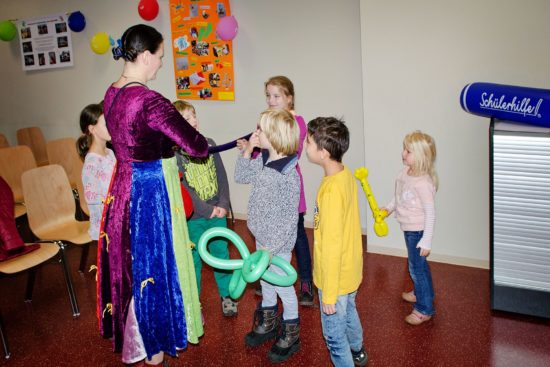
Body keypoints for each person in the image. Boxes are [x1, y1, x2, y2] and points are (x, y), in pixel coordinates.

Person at [98, 24, 209, 366]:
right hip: (146, 191)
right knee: (151, 264)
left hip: (120, 186)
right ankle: (153, 346)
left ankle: (137, 336)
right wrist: (188, 140)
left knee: (129, 260)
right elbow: (197, 146)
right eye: (160, 57)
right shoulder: (149, 99)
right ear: (146, 56)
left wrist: (164, 142)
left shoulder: (111, 93)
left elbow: (135, 139)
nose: (161, 64)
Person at [235, 109, 301, 363]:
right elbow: (241, 176)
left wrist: (272, 249)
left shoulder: (288, 174)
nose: (256, 132)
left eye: (260, 129)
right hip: (261, 238)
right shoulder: (263, 159)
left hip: (277, 245)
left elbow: (289, 218)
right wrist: (247, 151)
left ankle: (291, 333)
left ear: (272, 136)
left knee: (283, 287)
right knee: (265, 284)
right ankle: (269, 323)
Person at [305, 117, 368, 367]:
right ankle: (358, 351)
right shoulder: (344, 174)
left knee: (333, 335)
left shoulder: (331, 191)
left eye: (309, 142)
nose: (305, 146)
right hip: (349, 270)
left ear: (323, 152)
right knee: (349, 311)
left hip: (335, 279)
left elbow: (330, 247)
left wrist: (328, 294)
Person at [172, 100, 238, 317]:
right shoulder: (175, 154)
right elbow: (184, 188)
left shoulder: (209, 143)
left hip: (217, 213)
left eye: (194, 115)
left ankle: (226, 295)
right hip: (194, 218)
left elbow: (222, 176)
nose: (193, 121)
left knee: (221, 254)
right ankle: (194, 302)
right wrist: (206, 210)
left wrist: (222, 204)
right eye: (187, 118)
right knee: (194, 260)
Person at [257, 75, 314, 306]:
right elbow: (260, 155)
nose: (271, 100)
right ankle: (266, 277)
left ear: (289, 99)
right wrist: (251, 147)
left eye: (277, 96)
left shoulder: (297, 122)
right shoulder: (265, 120)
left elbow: (292, 153)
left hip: (287, 186)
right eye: (268, 95)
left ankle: (306, 282)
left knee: (297, 234)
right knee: (264, 233)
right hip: (267, 186)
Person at [381, 130, 438, 326]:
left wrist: (427, 239)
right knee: (419, 267)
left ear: (421, 156)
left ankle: (424, 309)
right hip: (408, 228)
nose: (403, 153)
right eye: (404, 149)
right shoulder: (405, 173)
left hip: (418, 231)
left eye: (409, 151)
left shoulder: (423, 183)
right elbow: (399, 196)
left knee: (416, 269)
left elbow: (431, 213)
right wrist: (388, 208)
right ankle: (423, 293)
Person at [76, 102, 116, 241]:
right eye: (106, 124)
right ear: (92, 129)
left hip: (119, 219)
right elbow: (95, 203)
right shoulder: (92, 164)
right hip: (107, 229)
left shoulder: (109, 152)